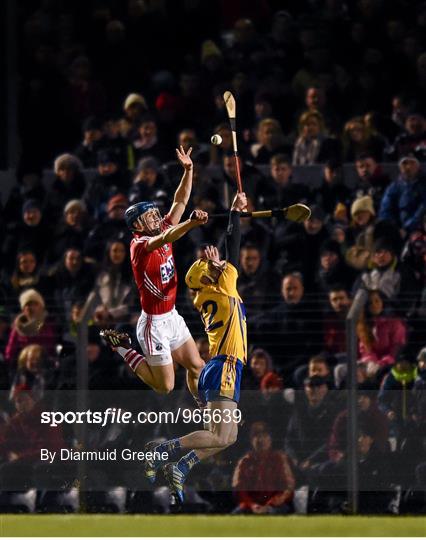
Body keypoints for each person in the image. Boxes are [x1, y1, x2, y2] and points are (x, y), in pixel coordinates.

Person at [143, 192, 248, 503]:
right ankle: (162, 450)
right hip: (224, 366)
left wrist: (234, 217)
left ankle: (182, 466)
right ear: (208, 279)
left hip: (222, 367)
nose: (218, 266)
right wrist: (235, 214)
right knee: (219, 435)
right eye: (210, 268)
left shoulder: (207, 293)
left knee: (229, 437)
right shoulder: (223, 286)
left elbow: (227, 257)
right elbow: (235, 248)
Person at [101, 147, 207, 398]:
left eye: (155, 215)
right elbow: (168, 236)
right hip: (153, 324)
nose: (157, 219)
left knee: (197, 366)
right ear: (137, 225)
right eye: (150, 217)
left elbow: (180, 201)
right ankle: (123, 348)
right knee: (165, 387)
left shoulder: (159, 229)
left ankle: (203, 408)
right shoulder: (139, 245)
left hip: (171, 315)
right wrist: (191, 223)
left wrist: (189, 170)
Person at [232, 422, 295, 514]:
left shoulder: (279, 459)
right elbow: (238, 489)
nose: (261, 440)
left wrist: (270, 505)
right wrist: (252, 505)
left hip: (276, 505)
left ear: (270, 439)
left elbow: (288, 488)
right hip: (251, 506)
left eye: (264, 435)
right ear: (251, 440)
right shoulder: (245, 462)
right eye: (257, 436)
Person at [379, 155, 426, 234]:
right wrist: (394, 228)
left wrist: (408, 227)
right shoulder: (394, 186)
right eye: (405, 163)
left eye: (412, 163)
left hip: (419, 228)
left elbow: (423, 208)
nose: (408, 167)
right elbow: (385, 209)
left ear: (418, 166)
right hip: (397, 230)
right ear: (400, 167)